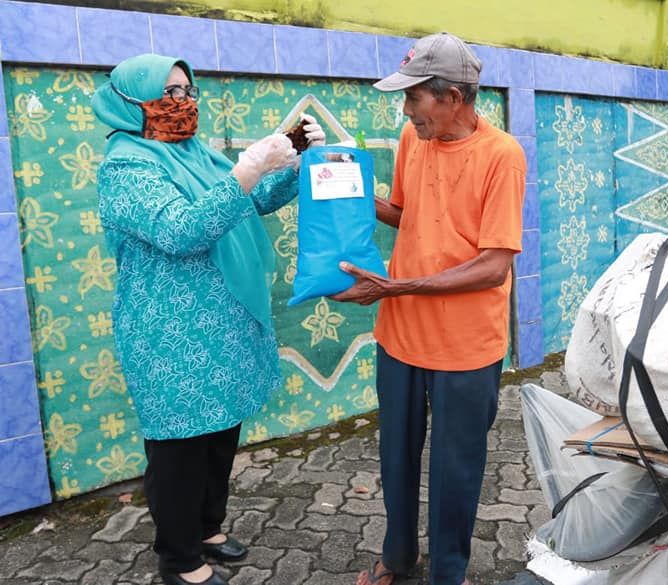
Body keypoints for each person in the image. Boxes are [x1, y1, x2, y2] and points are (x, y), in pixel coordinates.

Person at [92, 54, 326, 585]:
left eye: (188, 92)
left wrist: (287, 161)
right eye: (168, 93)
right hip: (167, 334)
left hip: (222, 325)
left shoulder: (194, 154)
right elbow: (180, 230)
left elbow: (249, 200)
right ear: (131, 100)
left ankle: (207, 529)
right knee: (179, 447)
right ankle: (179, 558)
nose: (183, 103)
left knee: (219, 436)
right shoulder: (127, 166)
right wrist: (246, 166)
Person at [332, 33, 526, 585]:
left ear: (452, 98)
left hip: (466, 347)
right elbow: (405, 212)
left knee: (454, 470)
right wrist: (342, 191)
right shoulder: (412, 137)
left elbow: (494, 265)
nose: (405, 109)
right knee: (395, 457)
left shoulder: (501, 155)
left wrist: (396, 287)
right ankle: (399, 557)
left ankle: (448, 571)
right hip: (400, 335)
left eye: (414, 97)